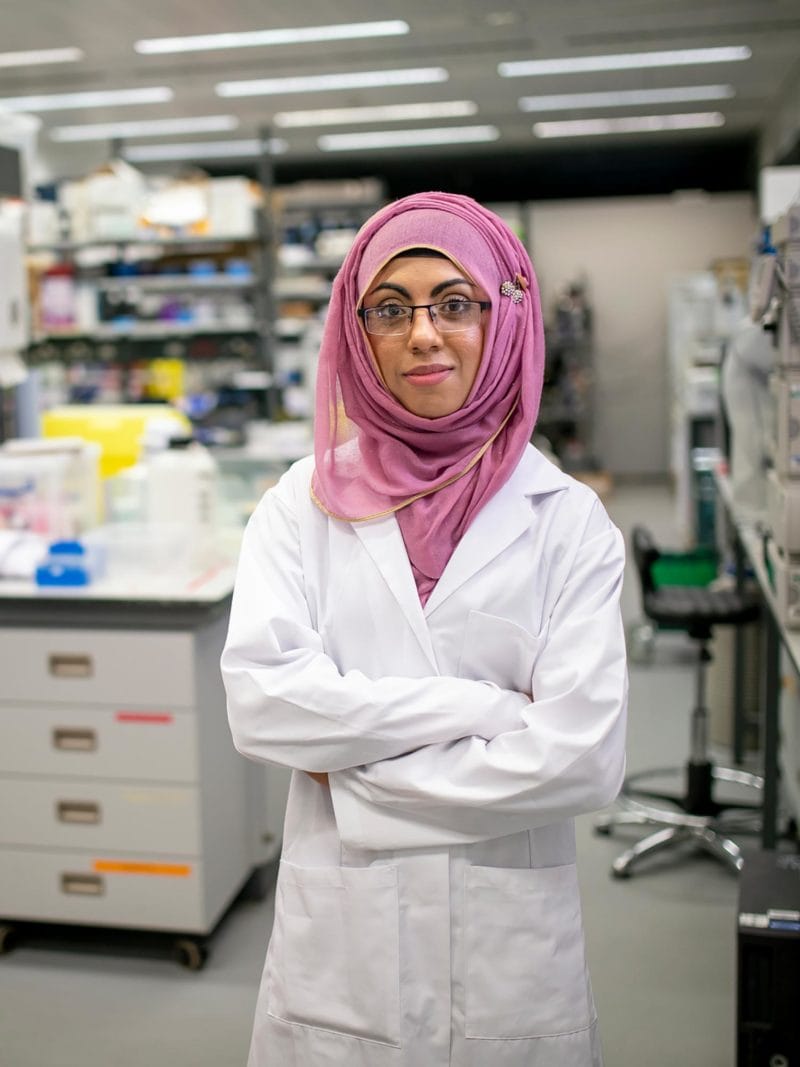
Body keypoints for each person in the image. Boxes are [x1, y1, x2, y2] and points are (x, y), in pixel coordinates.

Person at [221, 191, 628, 1067]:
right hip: (342, 948)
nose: (424, 335)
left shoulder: (567, 521)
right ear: (355, 328)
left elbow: (584, 756)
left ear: (504, 314)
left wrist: (361, 788)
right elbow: (263, 707)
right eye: (389, 309)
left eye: (455, 302)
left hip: (509, 952)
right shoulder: (300, 506)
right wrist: (482, 708)